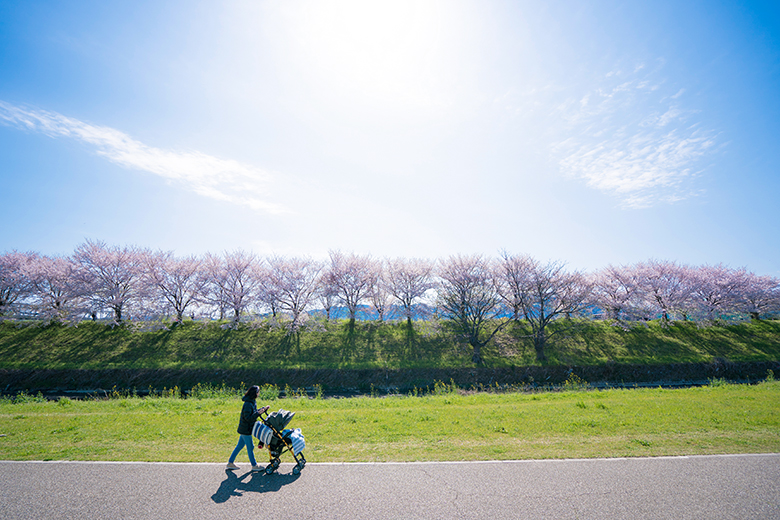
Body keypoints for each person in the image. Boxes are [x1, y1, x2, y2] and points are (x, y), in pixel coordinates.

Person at [226, 385, 269, 471]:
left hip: (245, 428)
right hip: (246, 429)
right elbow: (248, 418)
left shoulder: (252, 401)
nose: (259, 393)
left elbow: (253, 413)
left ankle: (230, 463)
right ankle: (254, 465)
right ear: (255, 393)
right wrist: (258, 413)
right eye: (258, 392)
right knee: (250, 447)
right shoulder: (248, 404)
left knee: (239, 446)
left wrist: (262, 410)